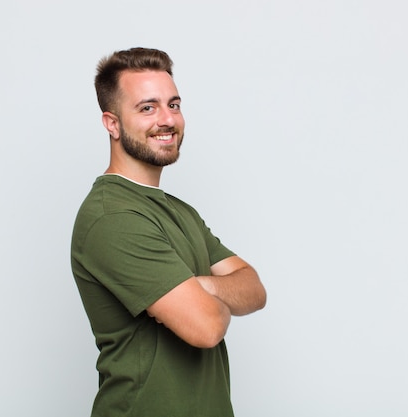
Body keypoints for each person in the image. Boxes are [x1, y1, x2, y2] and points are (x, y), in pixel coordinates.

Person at [70, 47, 267, 417]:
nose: (167, 119)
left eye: (173, 105)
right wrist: (211, 294)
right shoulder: (113, 217)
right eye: (147, 107)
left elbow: (254, 289)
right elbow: (207, 327)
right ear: (112, 123)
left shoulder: (180, 212)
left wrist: (200, 286)